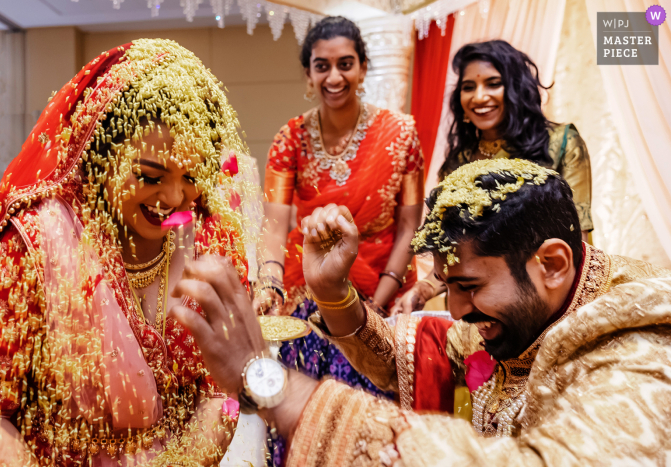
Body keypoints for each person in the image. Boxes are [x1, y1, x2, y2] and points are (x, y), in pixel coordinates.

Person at [171, 158, 671, 466]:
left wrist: (272, 385)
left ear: (553, 264)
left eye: (470, 287)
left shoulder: (636, 349)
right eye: (447, 287)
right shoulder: (536, 310)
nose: (455, 311)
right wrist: (331, 289)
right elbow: (410, 355)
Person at [0, 39, 255, 466]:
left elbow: (222, 393)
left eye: (191, 177)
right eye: (150, 176)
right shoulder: (34, 243)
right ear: (100, 155)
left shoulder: (212, 239)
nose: (174, 197)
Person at [255, 18, 424, 458]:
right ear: (309, 75)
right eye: (322, 66)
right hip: (309, 291)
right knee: (306, 417)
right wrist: (270, 280)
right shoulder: (290, 137)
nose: (334, 77)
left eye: (345, 64)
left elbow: (409, 228)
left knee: (371, 426)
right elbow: (275, 225)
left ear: (363, 69)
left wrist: (378, 303)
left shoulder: (400, 134)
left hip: (380, 292)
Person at [392, 40, 594, 315]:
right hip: (479, 309)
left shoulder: (560, 144)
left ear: (516, 89)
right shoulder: (459, 163)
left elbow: (578, 243)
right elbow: (454, 254)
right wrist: (424, 289)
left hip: (548, 302)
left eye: (493, 83)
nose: (479, 97)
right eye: (468, 87)